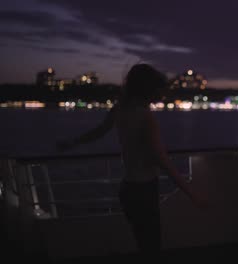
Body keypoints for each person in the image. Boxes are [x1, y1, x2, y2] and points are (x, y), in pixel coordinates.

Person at [57, 63, 206, 262]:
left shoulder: (120, 109)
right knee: (151, 248)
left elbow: (98, 132)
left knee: (143, 244)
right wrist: (192, 194)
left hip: (128, 190)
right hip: (145, 190)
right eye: (160, 89)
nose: (163, 93)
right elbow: (161, 159)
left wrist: (71, 142)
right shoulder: (146, 116)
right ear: (148, 89)